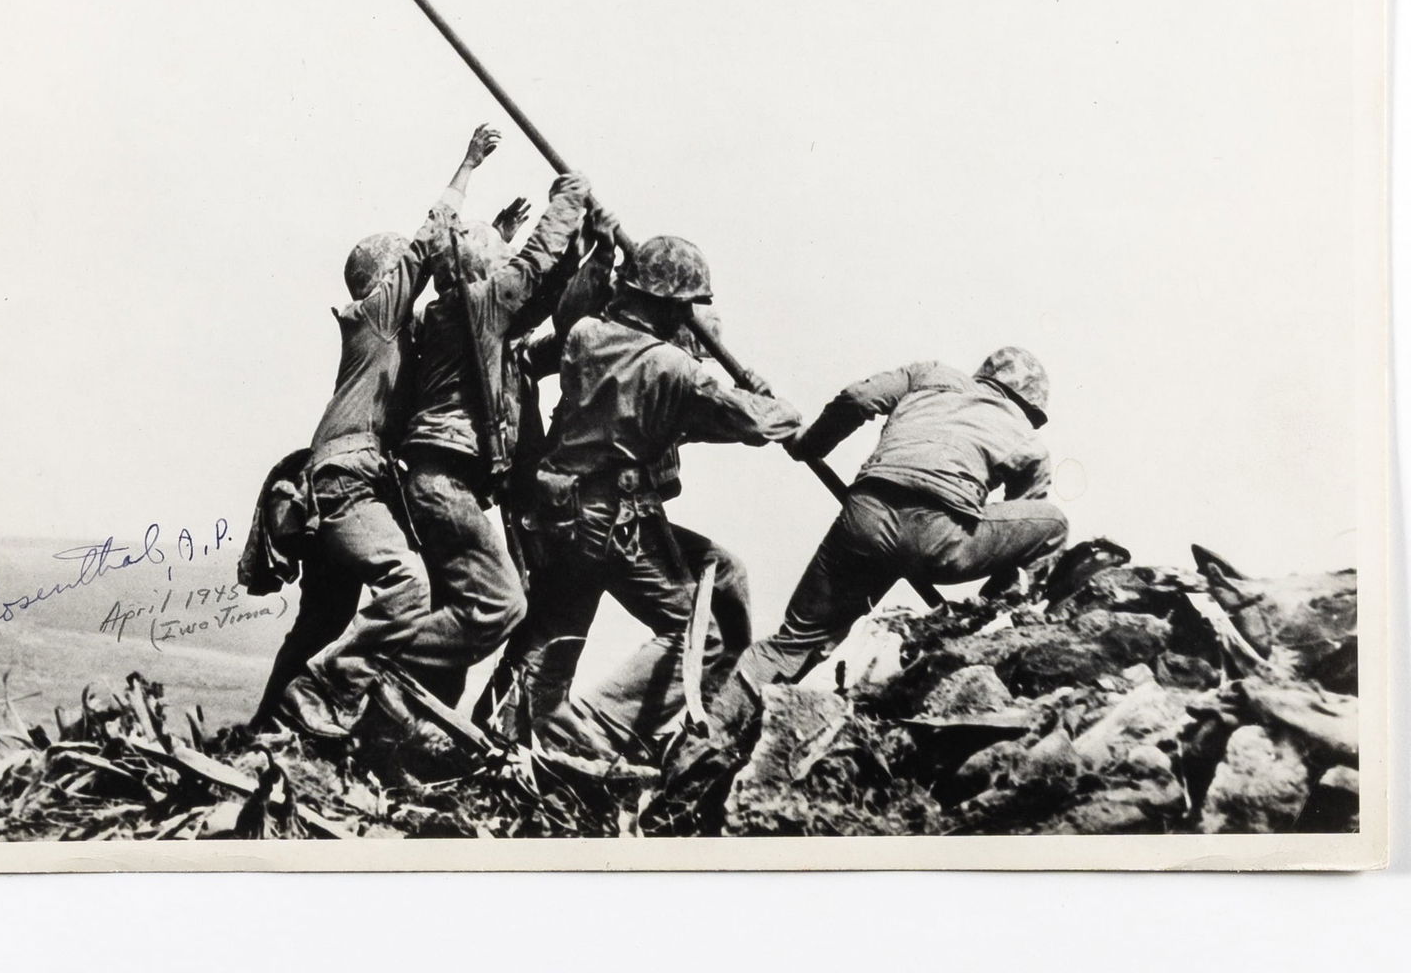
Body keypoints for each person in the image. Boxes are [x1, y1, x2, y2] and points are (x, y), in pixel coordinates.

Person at [244, 124, 502, 732]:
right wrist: (468, 165)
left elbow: (462, 292)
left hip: (338, 484)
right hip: (347, 483)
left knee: (322, 622)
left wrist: (499, 236)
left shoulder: (392, 334)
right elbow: (429, 241)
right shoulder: (377, 316)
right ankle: (328, 699)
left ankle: (265, 731)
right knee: (409, 584)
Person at [507, 237, 802, 759]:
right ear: (668, 303)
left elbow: (669, 414)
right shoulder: (672, 367)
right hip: (612, 521)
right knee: (699, 636)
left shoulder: (586, 334)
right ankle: (599, 730)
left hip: (559, 512)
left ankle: (509, 729)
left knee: (556, 632)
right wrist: (770, 400)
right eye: (685, 305)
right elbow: (758, 422)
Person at [719, 347, 1068, 713]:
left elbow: (858, 398)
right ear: (1030, 405)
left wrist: (810, 445)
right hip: (939, 540)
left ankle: (711, 730)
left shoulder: (931, 374)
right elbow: (1021, 527)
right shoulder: (1028, 442)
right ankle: (996, 619)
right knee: (1053, 524)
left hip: (865, 520)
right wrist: (990, 604)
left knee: (793, 643)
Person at [388, 169, 595, 704]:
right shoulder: (474, 305)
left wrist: (585, 251)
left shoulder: (466, 318)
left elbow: (542, 297)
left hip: (442, 485)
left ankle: (409, 717)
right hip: (445, 484)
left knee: (459, 615)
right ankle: (372, 663)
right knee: (501, 604)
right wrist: (568, 199)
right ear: (483, 270)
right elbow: (533, 266)